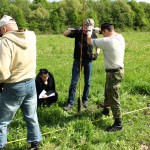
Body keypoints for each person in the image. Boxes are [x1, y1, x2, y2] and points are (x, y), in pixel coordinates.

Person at [0, 15, 42, 150]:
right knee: (31, 116)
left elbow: (2, 71)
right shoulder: (31, 36)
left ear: (4, 28)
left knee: (2, 121)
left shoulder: (5, 42)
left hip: (14, 85)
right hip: (30, 82)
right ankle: (35, 144)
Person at [87, 23, 125, 132]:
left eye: (103, 33)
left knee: (114, 96)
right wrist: (99, 30)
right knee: (107, 90)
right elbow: (107, 34)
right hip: (117, 71)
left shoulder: (107, 41)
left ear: (106, 31)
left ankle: (118, 123)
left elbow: (89, 41)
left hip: (114, 72)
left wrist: (90, 31)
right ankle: (106, 109)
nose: (102, 35)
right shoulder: (119, 37)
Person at [63, 18, 100, 111]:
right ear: (83, 25)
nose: (87, 29)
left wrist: (96, 54)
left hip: (88, 61)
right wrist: (74, 29)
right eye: (86, 27)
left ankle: (85, 100)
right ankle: (70, 102)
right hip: (77, 60)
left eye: (89, 27)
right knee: (74, 82)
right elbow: (65, 33)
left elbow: (98, 46)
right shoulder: (78, 33)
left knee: (87, 82)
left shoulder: (93, 34)